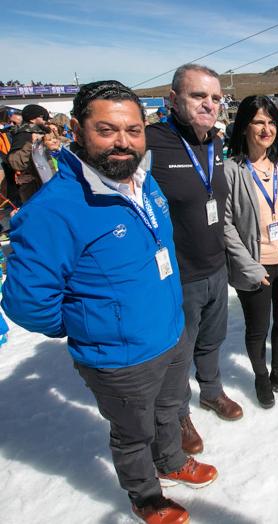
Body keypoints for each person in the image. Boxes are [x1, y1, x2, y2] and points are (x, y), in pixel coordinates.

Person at [1, 80, 218, 523]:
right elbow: (26, 302)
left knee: (169, 409)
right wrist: (88, 323)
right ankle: (145, 495)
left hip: (169, 333)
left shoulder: (144, 180)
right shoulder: (54, 209)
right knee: (133, 431)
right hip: (118, 357)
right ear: (78, 132)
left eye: (133, 130)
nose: (123, 142)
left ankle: (172, 460)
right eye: (107, 130)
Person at [147, 64, 242, 456]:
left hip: (214, 266)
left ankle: (212, 393)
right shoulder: (150, 143)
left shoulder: (214, 143)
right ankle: (179, 414)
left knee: (212, 340)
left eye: (216, 98)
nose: (209, 104)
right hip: (176, 274)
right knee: (178, 352)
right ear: (173, 100)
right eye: (198, 95)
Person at [224, 96, 278, 407]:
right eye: (259, 122)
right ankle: (261, 376)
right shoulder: (231, 170)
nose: (267, 128)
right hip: (255, 264)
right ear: (245, 126)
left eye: (272, 122)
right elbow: (225, 226)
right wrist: (249, 267)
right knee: (257, 327)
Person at [6, 104, 53, 202]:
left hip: (46, 184)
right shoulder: (24, 134)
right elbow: (15, 162)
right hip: (34, 191)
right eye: (43, 117)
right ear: (32, 119)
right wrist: (31, 143)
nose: (45, 121)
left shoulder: (41, 133)